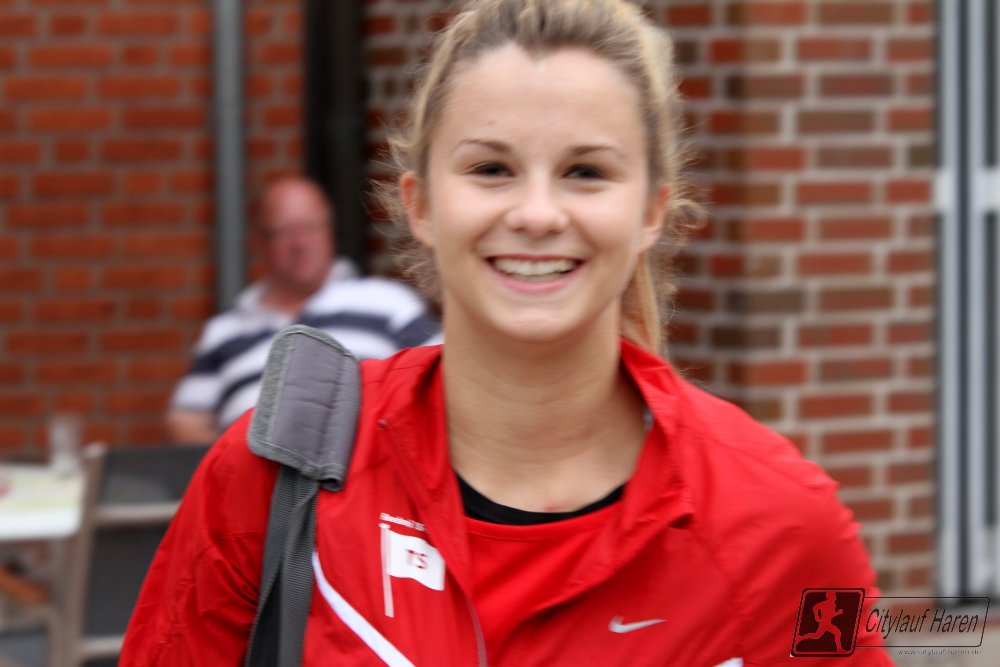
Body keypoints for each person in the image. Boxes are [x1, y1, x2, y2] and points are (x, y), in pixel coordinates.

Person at [123, 1, 892, 664]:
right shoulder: (270, 478)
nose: (536, 213)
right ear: (420, 203)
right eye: (491, 168)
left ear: (652, 210)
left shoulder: (786, 525)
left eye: (586, 171)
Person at [165, 176, 440, 444]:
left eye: (310, 227)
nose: (299, 243)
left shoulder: (387, 301)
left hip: (372, 464)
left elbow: (441, 373)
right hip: (256, 469)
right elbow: (185, 422)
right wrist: (243, 461)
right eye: (284, 231)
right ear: (259, 242)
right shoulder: (224, 331)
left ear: (330, 232)